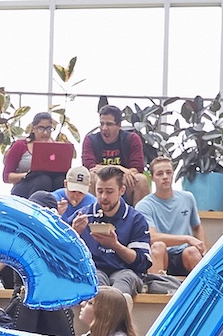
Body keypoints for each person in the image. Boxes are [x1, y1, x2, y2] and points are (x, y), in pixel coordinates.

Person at [83, 166, 153, 297]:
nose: (103, 197)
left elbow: (142, 262)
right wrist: (74, 231)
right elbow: (61, 251)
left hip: (126, 271)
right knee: (95, 278)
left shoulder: (135, 219)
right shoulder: (83, 216)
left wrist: (115, 245)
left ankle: (115, 313)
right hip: (95, 270)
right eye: (99, 191)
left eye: (109, 191)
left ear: (122, 190)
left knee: (122, 284)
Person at [138, 156, 205, 281]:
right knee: (158, 247)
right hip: (163, 255)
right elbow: (152, 237)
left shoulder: (187, 198)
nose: (165, 177)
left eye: (168, 172)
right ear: (152, 178)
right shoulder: (144, 205)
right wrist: (187, 238)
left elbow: (197, 226)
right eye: (159, 174)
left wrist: (203, 249)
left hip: (184, 254)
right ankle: (156, 291)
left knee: (193, 252)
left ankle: (207, 292)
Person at [1, 110, 71, 201]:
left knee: (60, 180)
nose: (45, 133)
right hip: (25, 186)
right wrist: (27, 175)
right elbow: (7, 177)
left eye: (49, 129)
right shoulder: (21, 145)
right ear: (33, 129)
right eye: (41, 129)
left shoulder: (57, 147)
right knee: (43, 180)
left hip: (52, 184)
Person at [82, 104, 145, 172]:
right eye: (102, 124)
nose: (104, 128)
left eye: (109, 124)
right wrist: (121, 169)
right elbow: (89, 167)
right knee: (92, 175)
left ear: (119, 125)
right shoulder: (90, 140)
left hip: (124, 179)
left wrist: (116, 168)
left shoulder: (132, 139)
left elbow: (137, 168)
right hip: (99, 178)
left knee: (140, 178)